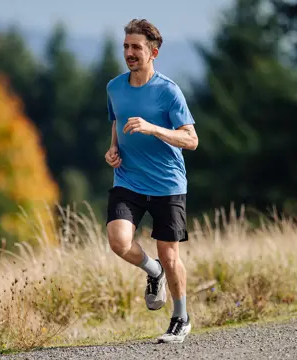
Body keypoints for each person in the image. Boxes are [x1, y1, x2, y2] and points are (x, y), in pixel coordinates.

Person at [104, 18, 198, 344]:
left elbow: (191, 139)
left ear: (153, 52)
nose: (129, 53)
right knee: (118, 241)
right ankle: (152, 271)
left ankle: (181, 317)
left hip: (167, 183)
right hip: (128, 179)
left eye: (136, 48)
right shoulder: (114, 87)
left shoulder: (169, 92)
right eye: (126, 46)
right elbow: (116, 120)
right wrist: (113, 149)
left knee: (170, 256)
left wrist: (153, 128)